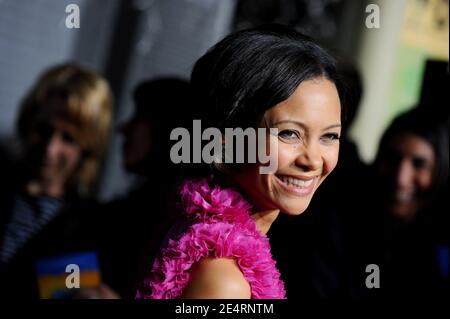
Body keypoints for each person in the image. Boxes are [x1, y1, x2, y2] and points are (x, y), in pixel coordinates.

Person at [135, 24, 342, 299]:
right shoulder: (222, 280)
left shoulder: (191, 225)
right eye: (289, 134)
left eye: (329, 136)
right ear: (226, 138)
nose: (312, 160)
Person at [0, 63, 113, 298]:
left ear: (87, 148)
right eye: (43, 130)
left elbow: (61, 295)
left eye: (68, 138)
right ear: (28, 122)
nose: (50, 149)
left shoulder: (87, 226)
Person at [355, 106, 449, 298]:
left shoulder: (442, 250)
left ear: (440, 173)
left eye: (419, 164)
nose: (401, 178)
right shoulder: (347, 218)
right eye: (393, 159)